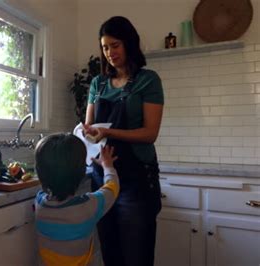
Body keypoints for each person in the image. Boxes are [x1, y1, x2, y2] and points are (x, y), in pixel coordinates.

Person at [83, 16, 164, 266]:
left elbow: (150, 133)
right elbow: (89, 127)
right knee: (111, 252)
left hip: (135, 180)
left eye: (115, 45)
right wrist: (88, 135)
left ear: (129, 43)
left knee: (137, 255)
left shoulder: (148, 80)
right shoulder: (98, 83)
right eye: (105, 47)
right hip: (102, 179)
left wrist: (108, 133)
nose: (109, 53)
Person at [34, 133, 119, 266]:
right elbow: (112, 188)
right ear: (81, 172)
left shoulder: (39, 203)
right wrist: (107, 165)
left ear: (40, 173)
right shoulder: (88, 206)